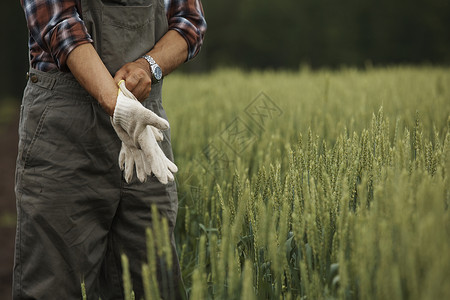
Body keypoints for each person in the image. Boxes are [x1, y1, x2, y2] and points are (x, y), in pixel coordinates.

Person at [14, 0, 206, 299]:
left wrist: (147, 67)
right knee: (58, 282)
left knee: (154, 282)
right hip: (65, 128)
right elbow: (59, 25)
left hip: (145, 128)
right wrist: (118, 105)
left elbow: (190, 22)